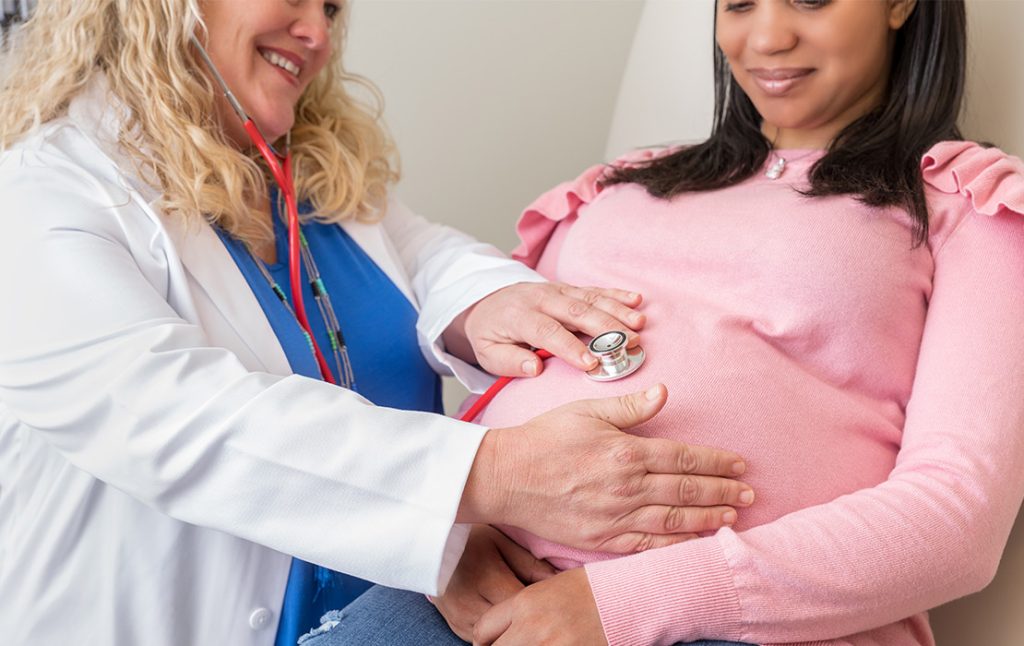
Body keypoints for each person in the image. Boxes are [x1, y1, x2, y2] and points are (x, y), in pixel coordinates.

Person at [0, 1, 758, 645]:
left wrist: (486, 305)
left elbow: (430, 259)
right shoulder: (43, 194)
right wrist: (493, 479)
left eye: (332, 8)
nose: (318, 33)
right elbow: (176, 421)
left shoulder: (306, 175)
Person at [302, 0, 1024, 645]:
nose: (766, 37)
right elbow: (503, 381)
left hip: (741, 625)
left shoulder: (966, 203)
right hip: (476, 595)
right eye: (738, 4)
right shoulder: (616, 187)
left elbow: (954, 516)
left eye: (809, 0)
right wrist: (450, 537)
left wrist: (624, 603)